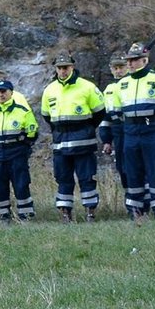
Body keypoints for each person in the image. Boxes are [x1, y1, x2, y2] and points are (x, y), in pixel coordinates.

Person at [111, 42, 155, 221]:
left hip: (152, 131)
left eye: (134, 60)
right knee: (132, 171)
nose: (130, 64)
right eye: (129, 60)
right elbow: (116, 111)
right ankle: (136, 211)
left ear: (145, 60)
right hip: (131, 132)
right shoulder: (122, 84)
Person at [39, 52, 105, 221]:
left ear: (72, 67)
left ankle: (90, 212)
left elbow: (99, 112)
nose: (63, 71)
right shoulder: (49, 90)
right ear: (56, 69)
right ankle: (65, 213)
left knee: (87, 178)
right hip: (61, 144)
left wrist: (86, 129)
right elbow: (47, 117)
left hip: (84, 143)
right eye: (60, 68)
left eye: (66, 67)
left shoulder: (87, 87)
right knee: (63, 179)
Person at [0, 77, 38, 223]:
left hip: (16, 153)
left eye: (4, 91)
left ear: (11, 93)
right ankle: (2, 216)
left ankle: (25, 216)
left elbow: (32, 132)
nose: (1, 94)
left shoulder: (22, 111)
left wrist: (24, 148)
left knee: (21, 185)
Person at [97, 53, 130, 206]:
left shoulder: (133, 83)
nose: (118, 71)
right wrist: (106, 140)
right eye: (115, 68)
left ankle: (144, 204)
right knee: (123, 168)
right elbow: (105, 118)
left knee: (137, 168)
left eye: (121, 67)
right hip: (118, 131)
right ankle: (131, 203)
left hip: (133, 128)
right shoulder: (109, 89)